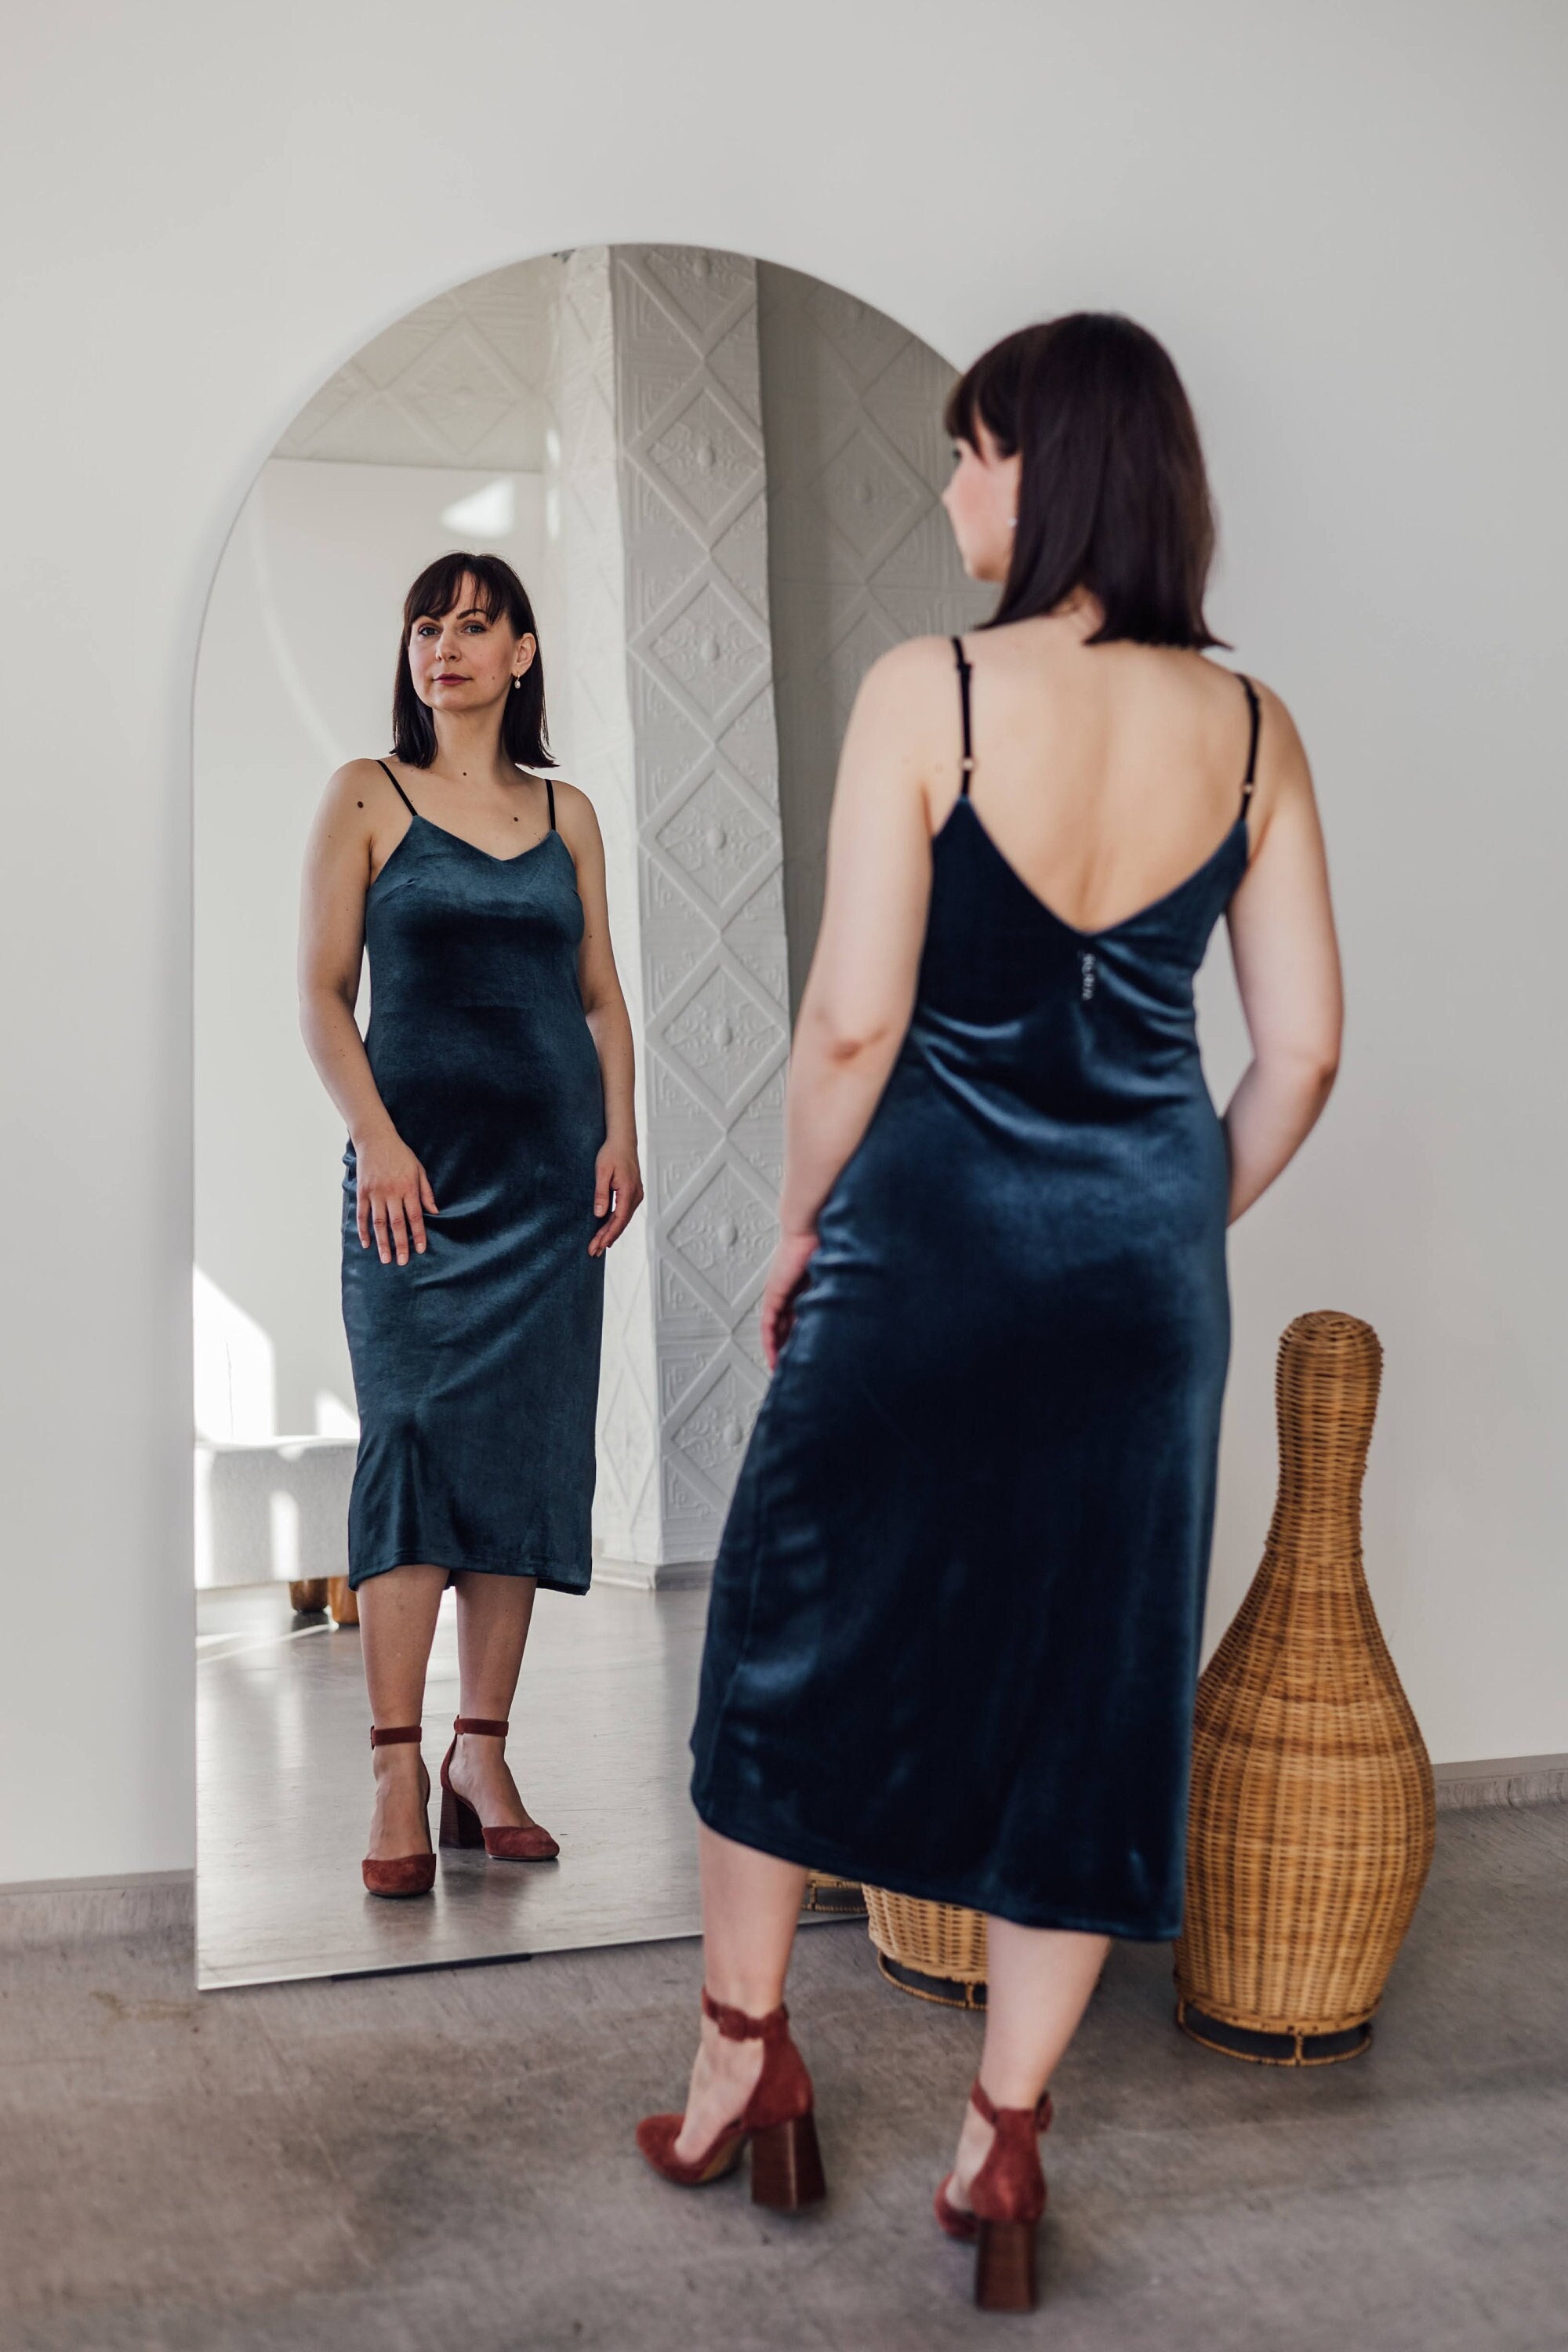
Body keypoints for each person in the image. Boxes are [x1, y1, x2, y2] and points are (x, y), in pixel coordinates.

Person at [636, 315, 1343, 2311]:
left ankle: (741, 2060)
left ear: (1047, 471)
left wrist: (798, 1230)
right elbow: (1299, 1053)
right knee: (1087, 1685)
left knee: (785, 1636)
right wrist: (1153, 1227)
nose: (951, 484)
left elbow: (853, 1023)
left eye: (971, 451)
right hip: (1139, 1290)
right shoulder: (1255, 730)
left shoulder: (930, 689)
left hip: (921, 1250)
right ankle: (1002, 2138)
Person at [299, 552, 642, 1898]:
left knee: (522, 1455)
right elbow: (322, 992)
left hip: (550, 1190)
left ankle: (481, 1758)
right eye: (426, 627)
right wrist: (376, 1138)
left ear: (522, 653)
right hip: (415, 1193)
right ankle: (396, 1767)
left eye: (472, 625)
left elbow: (600, 996)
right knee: (410, 1443)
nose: (442, 646)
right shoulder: (365, 795)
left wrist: (619, 1132)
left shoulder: (568, 815)